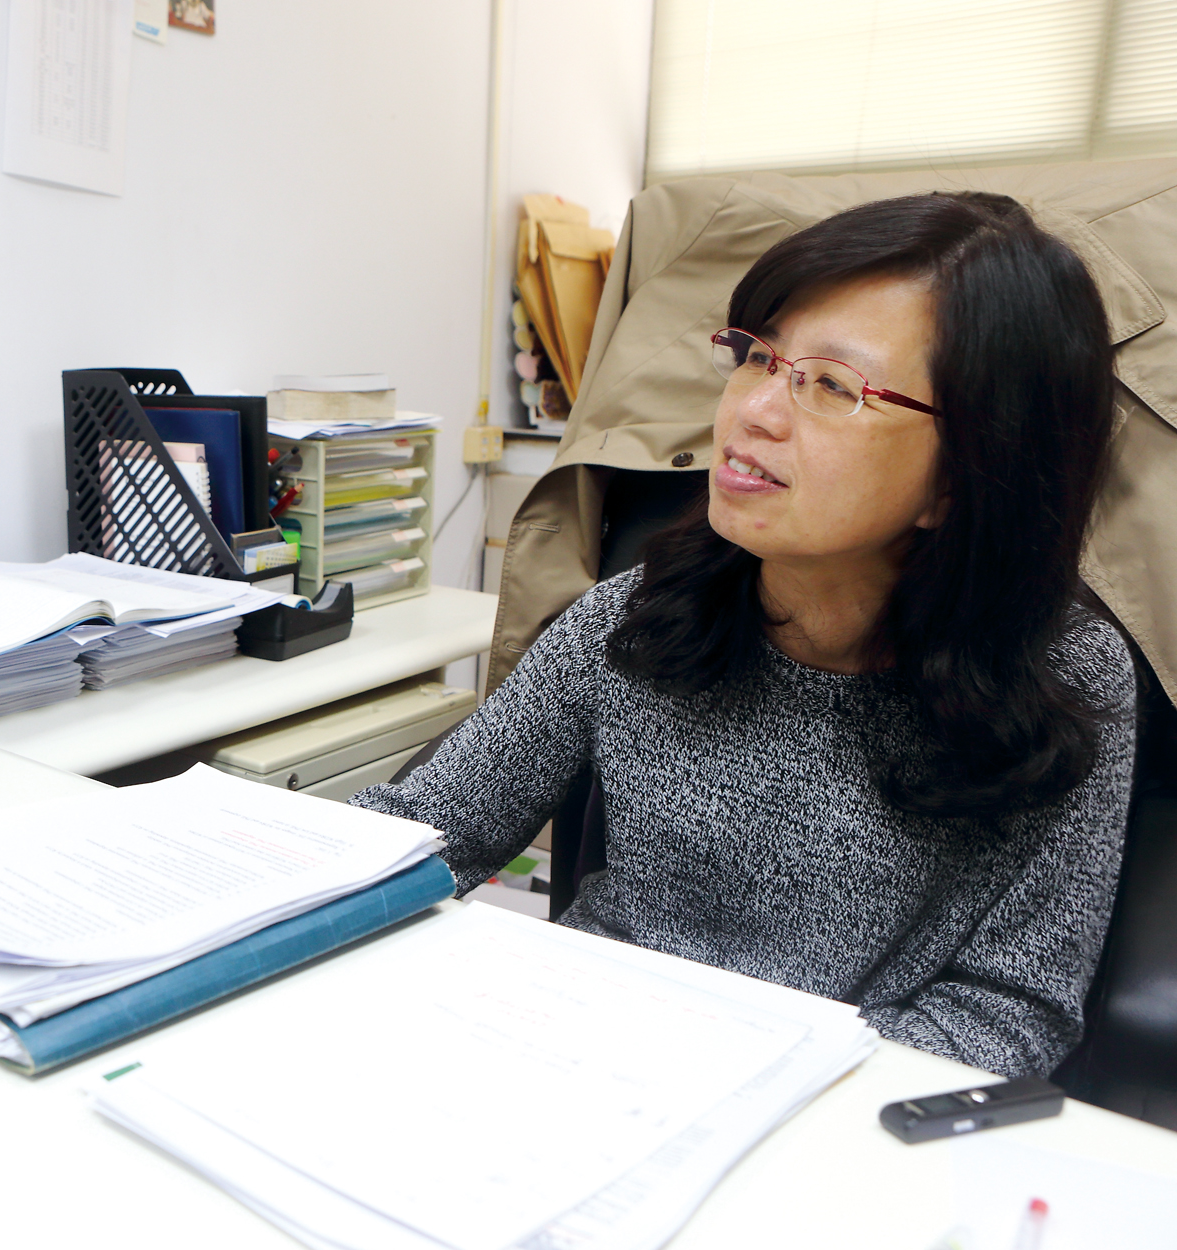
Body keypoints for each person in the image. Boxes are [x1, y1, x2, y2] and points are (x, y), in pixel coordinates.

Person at [354, 192, 1134, 1079]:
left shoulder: (1063, 680)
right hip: (569, 1053)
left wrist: (744, 1081)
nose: (752, 411)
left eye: (833, 386)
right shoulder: (640, 611)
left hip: (828, 1108)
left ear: (962, 474)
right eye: (759, 356)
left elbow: (1010, 1010)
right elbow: (427, 832)